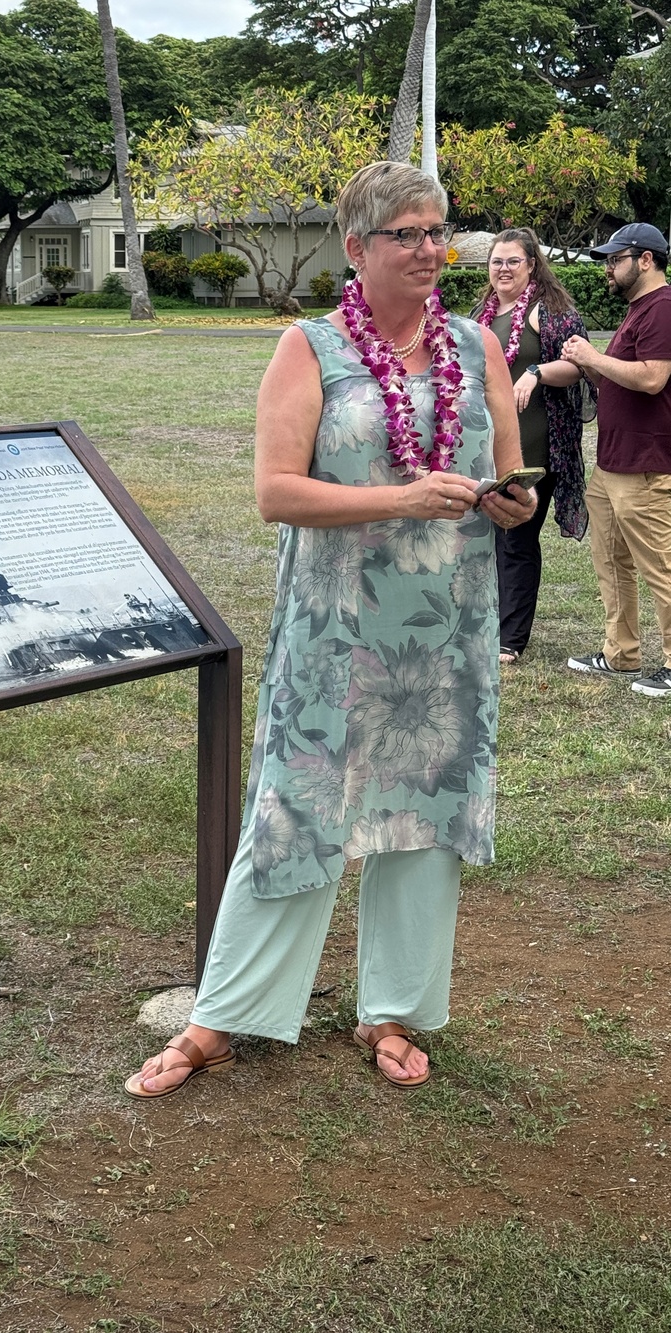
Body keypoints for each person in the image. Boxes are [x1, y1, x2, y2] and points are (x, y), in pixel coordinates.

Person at [125, 161, 534, 1099]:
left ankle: (392, 1008)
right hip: (337, 630)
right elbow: (275, 492)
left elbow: (513, 473)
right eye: (407, 233)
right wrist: (400, 496)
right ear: (357, 248)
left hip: (445, 635)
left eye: (439, 231)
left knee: (425, 820)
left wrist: (511, 506)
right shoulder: (309, 348)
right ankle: (221, 1017)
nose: (432, 249)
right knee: (297, 809)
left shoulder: (479, 349)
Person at [470, 228, 593, 665]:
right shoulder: (480, 314)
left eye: (512, 262)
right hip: (486, 447)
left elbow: (579, 365)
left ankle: (509, 638)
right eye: (496, 262)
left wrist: (535, 371)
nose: (503, 269)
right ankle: (484, 621)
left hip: (536, 450)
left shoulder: (550, 311)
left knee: (517, 539)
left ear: (532, 265)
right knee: (483, 542)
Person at [561, 223, 671, 700]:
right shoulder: (637, 309)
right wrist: (591, 365)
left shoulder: (663, 307)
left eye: (615, 259)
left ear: (645, 260)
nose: (607, 268)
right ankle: (621, 651)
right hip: (612, 462)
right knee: (611, 561)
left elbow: (651, 378)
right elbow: (620, 383)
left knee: (660, 568)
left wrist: (593, 355)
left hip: (646, 463)